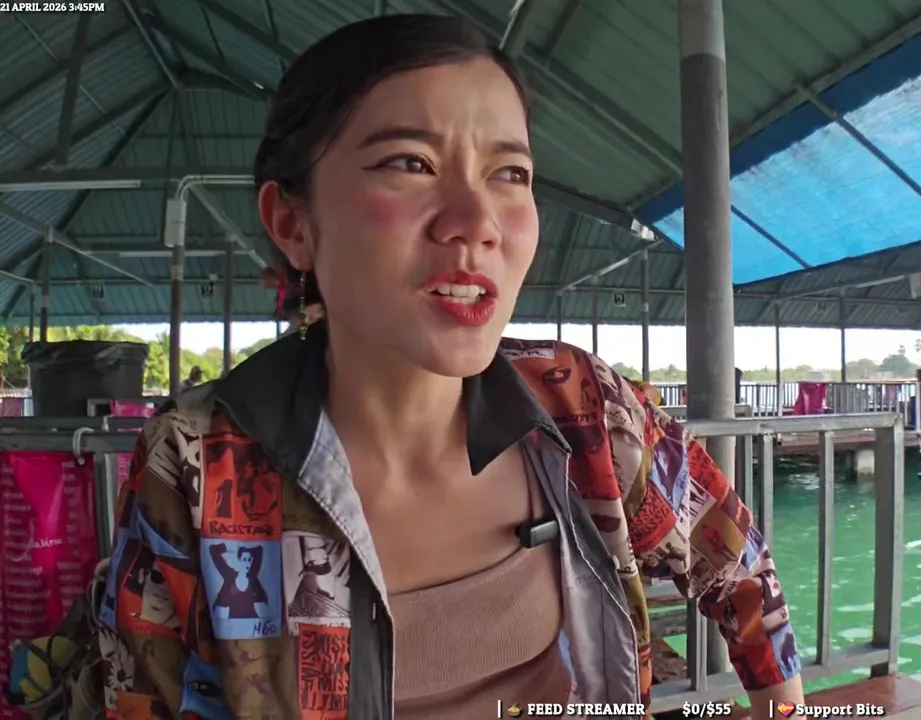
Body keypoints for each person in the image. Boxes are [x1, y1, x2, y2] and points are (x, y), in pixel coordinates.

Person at [90, 15, 805, 720]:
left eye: (510, 173)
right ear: (292, 224)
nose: (477, 221)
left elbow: (737, 564)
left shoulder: (582, 407)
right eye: (410, 163)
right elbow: (139, 699)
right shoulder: (198, 462)